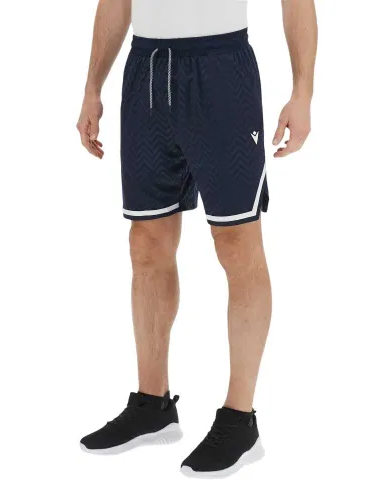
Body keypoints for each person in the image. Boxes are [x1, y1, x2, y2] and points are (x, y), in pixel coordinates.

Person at [77, 0, 317, 478]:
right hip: (146, 71)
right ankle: (152, 404)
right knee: (146, 241)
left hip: (221, 71)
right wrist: (91, 88)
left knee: (237, 242)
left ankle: (239, 419)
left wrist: (302, 93)